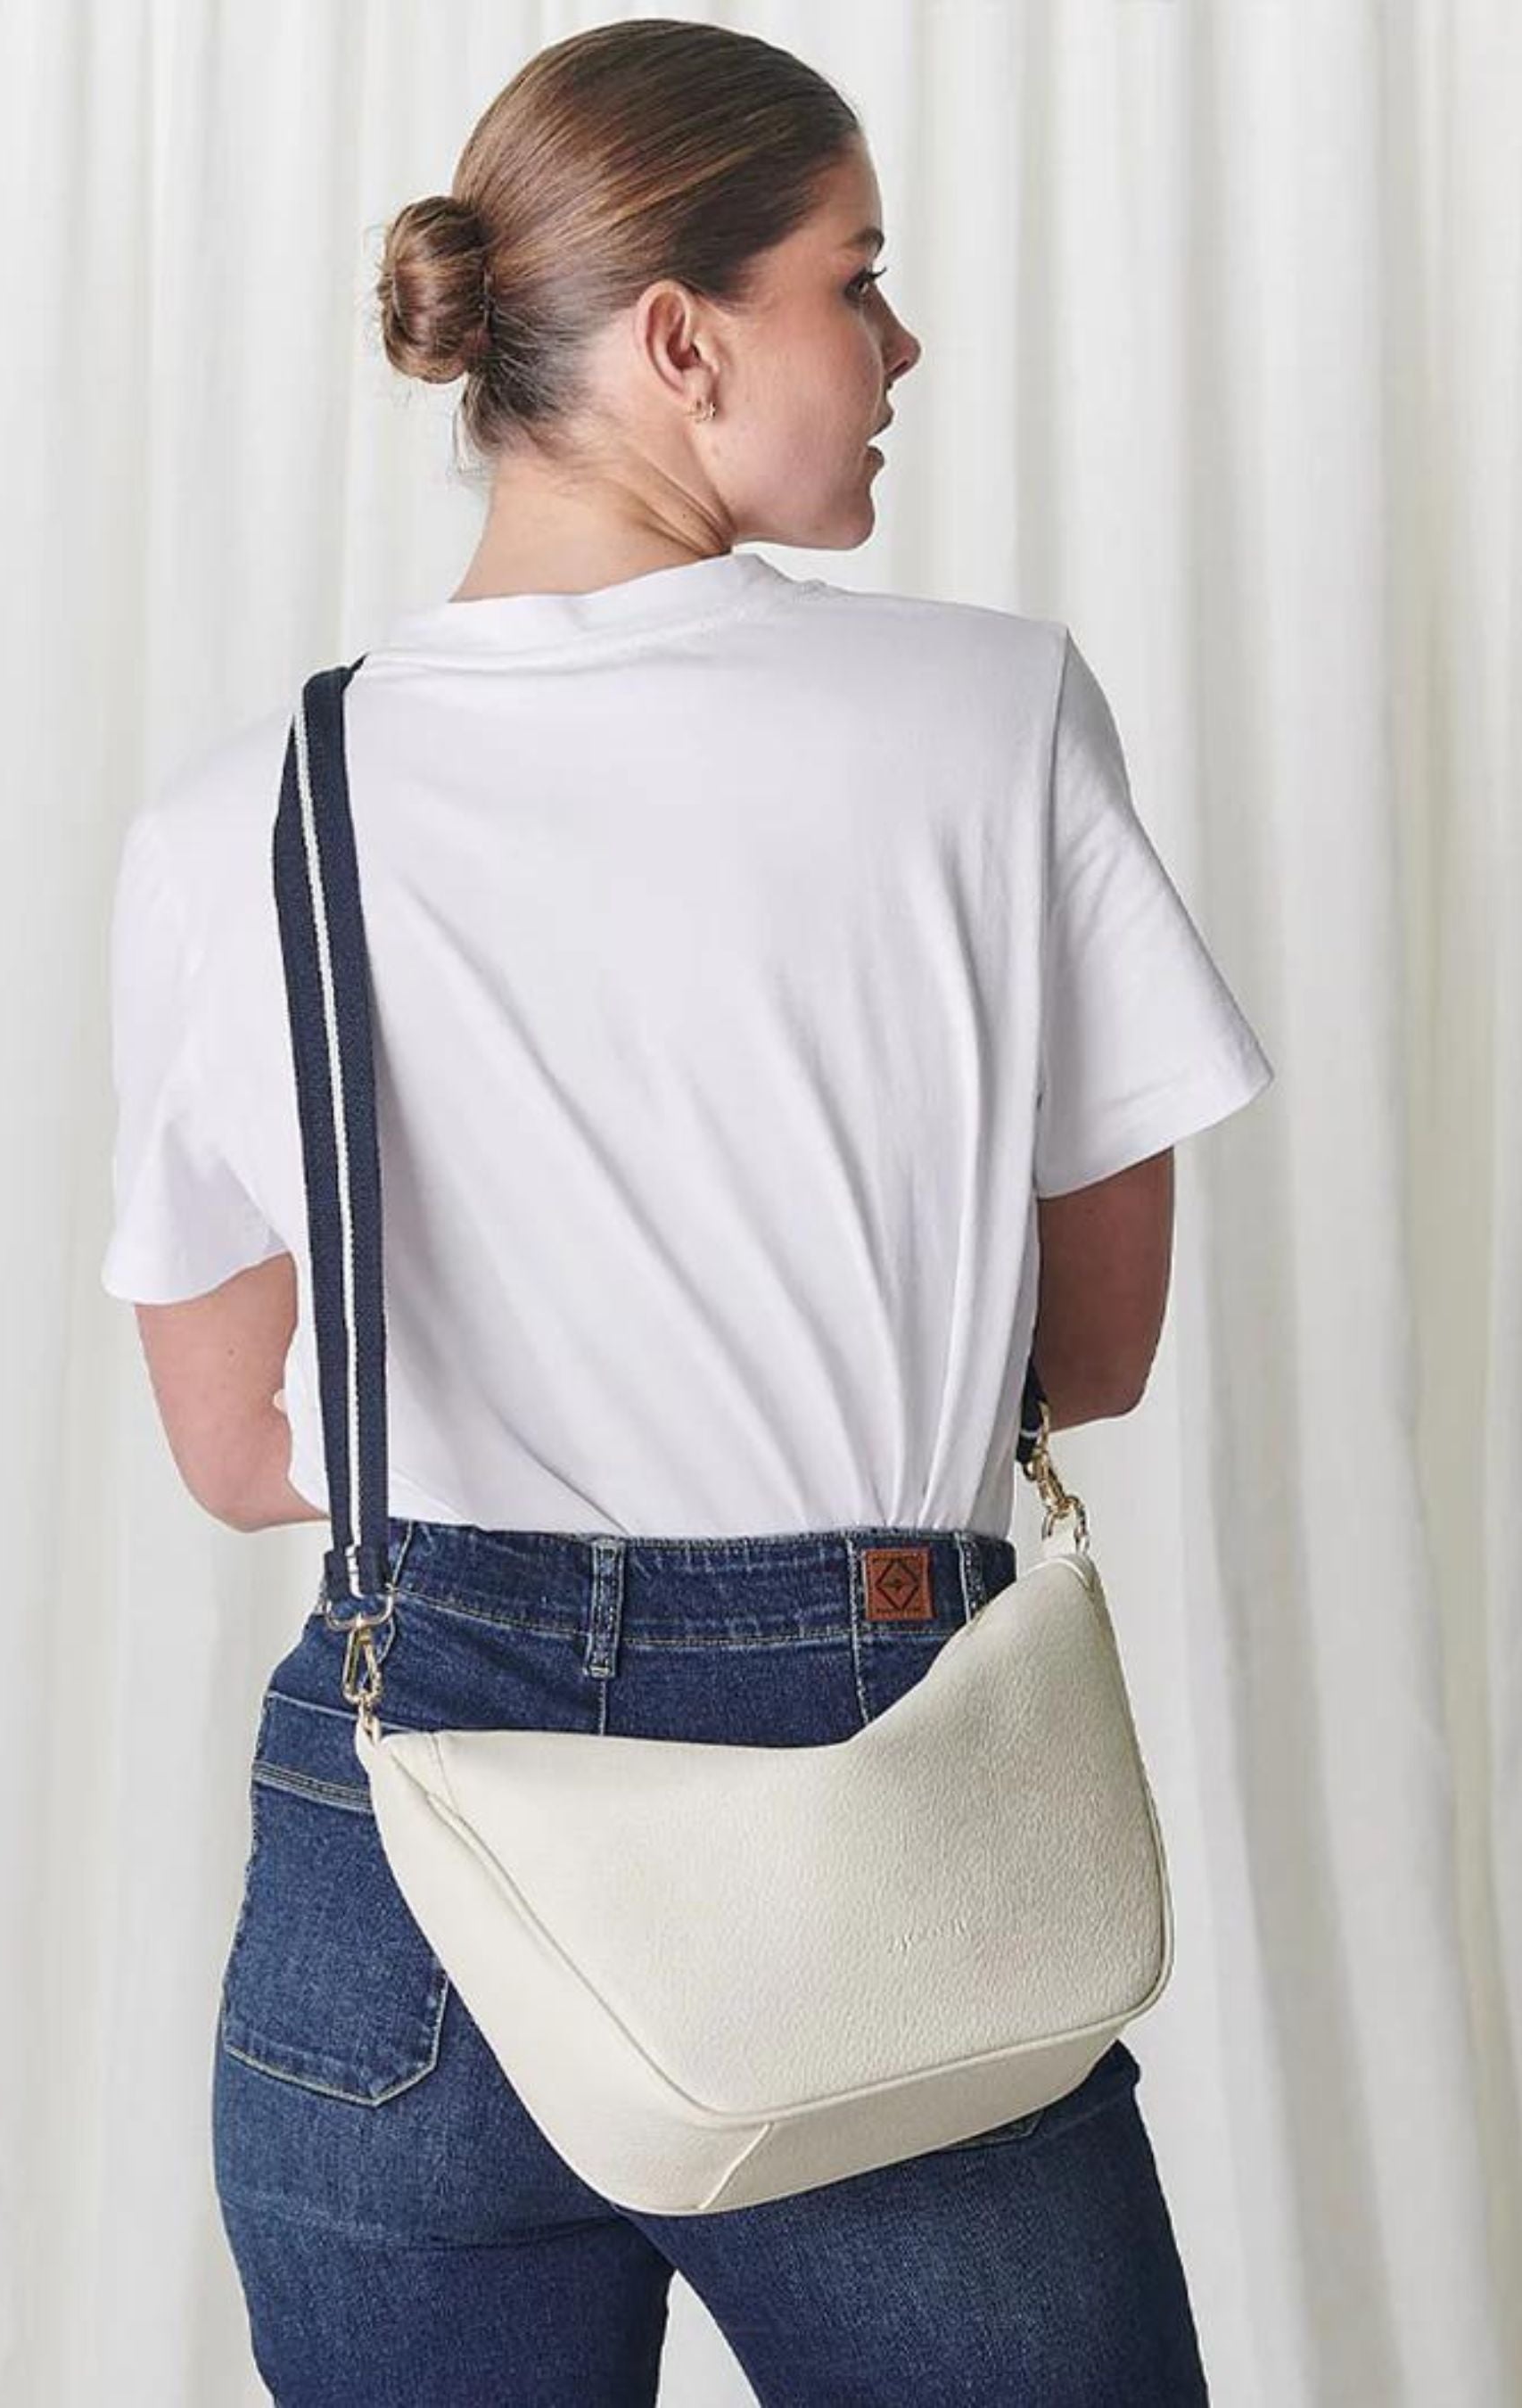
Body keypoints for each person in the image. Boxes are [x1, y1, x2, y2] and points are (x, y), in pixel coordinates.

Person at [100, 19, 1272, 2404]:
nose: (899, 344)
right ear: (680, 336)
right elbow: (1100, 1347)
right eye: (858, 275)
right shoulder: (990, 716)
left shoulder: (248, 816)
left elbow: (234, 1450)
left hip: (405, 1873)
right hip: (877, 1828)